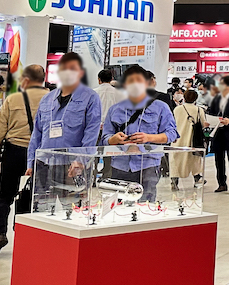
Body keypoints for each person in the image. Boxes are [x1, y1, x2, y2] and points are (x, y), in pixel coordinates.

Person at [0, 65, 48, 258]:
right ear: (43, 78)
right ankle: (26, 235)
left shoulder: (12, 99)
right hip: (42, 154)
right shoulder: (53, 99)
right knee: (35, 196)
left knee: (4, 196)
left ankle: (0, 233)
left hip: (14, 151)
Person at [27, 52, 102, 195]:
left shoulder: (90, 98)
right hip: (44, 163)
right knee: (41, 205)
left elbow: (91, 134)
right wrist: (31, 162)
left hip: (72, 166)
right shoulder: (47, 99)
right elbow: (37, 133)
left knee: (71, 206)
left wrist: (81, 160)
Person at [103, 64, 179, 201]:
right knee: (119, 205)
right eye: (130, 81)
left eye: (138, 80)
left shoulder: (160, 107)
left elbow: (172, 134)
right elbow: (105, 137)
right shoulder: (115, 109)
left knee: (146, 205)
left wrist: (149, 137)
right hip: (120, 164)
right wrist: (113, 139)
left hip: (148, 164)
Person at [171, 88, 208, 186]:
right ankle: (197, 178)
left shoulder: (177, 109)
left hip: (178, 138)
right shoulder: (199, 110)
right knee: (195, 159)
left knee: (177, 159)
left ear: (184, 97)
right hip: (193, 139)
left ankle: (174, 180)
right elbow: (203, 124)